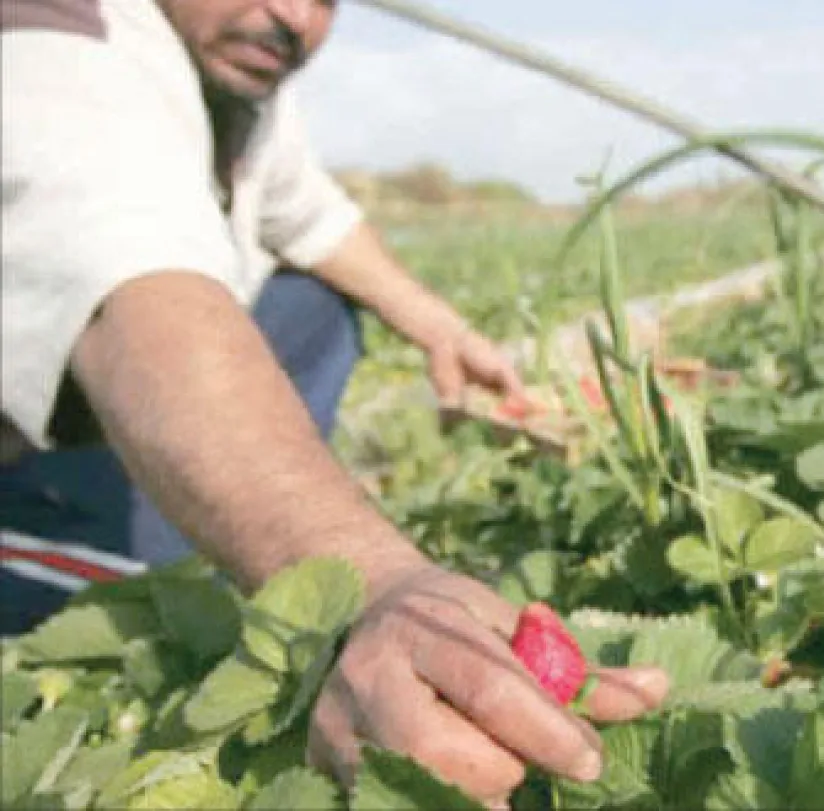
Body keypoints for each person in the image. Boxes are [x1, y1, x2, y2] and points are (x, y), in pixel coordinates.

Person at [1, 0, 668, 804]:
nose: (292, 14)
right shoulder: (60, 44)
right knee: (121, 614)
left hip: (108, 403)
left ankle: (210, 532)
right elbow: (143, 303)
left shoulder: (237, 86)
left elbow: (309, 214)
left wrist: (442, 329)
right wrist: (373, 581)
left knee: (314, 306)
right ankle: (71, 564)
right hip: (45, 425)